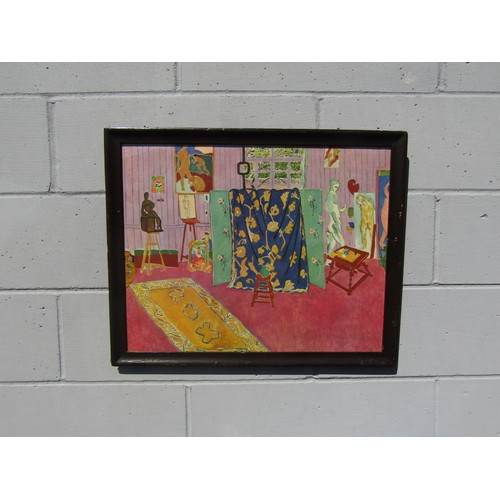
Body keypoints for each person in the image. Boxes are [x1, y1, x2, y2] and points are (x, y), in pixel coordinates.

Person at [325, 179, 346, 254]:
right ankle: (345, 257)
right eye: (335, 186)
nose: (336, 188)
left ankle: (328, 259)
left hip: (332, 222)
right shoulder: (331, 195)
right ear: (331, 186)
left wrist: (341, 210)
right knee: (342, 242)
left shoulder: (332, 194)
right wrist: (336, 221)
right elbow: (331, 210)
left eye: (337, 187)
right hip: (334, 222)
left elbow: (334, 208)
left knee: (331, 243)